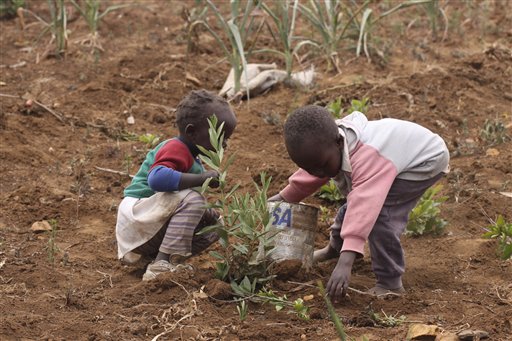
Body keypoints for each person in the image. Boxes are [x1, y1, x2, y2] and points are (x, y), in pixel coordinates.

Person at [269, 105, 449, 300]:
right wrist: (283, 199)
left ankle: (390, 283)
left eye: (321, 166)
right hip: (397, 155)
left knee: (381, 216)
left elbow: (365, 205)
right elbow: (312, 173)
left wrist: (346, 264)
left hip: (425, 161)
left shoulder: (366, 157)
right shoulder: (327, 146)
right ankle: (335, 249)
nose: (318, 173)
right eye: (309, 168)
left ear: (338, 143)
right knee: (355, 205)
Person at [115, 89, 237, 281]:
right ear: (192, 132)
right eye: (220, 137)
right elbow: (157, 179)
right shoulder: (176, 148)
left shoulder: (193, 159)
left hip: (149, 225)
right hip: (137, 217)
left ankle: (156, 260)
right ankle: (163, 264)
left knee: (214, 226)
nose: (224, 145)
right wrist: (202, 179)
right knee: (195, 200)